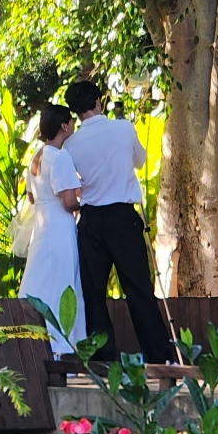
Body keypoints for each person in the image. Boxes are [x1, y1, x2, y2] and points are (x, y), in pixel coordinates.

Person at [63, 81, 171, 363]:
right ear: (99, 102)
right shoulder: (124, 129)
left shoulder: (71, 144)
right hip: (123, 218)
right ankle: (159, 356)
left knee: (94, 293)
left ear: (74, 112)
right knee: (138, 289)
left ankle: (103, 358)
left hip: (91, 222)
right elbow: (140, 161)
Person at [18, 103, 87, 356]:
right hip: (59, 229)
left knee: (39, 281)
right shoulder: (60, 157)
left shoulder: (37, 157)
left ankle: (33, 344)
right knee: (62, 284)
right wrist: (85, 202)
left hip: (41, 227)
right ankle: (61, 346)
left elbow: (32, 197)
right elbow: (68, 202)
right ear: (63, 126)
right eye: (71, 122)